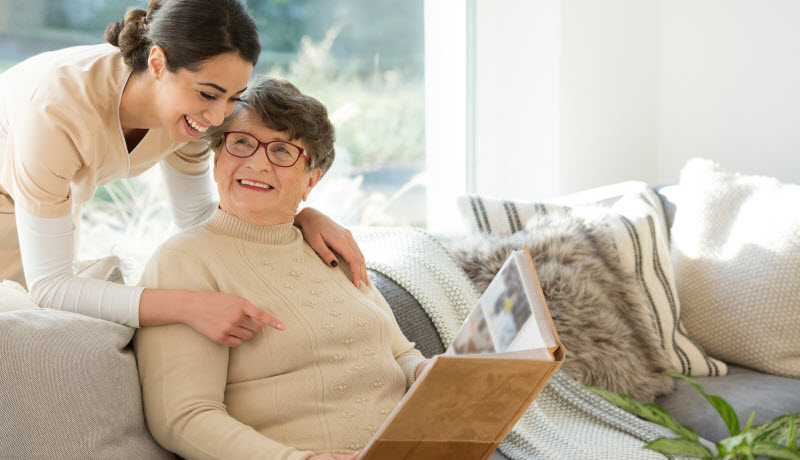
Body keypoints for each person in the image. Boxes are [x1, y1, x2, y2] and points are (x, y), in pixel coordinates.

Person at [0, 0, 366, 347]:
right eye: (208, 94)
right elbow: (51, 285)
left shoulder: (187, 118)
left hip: (37, 212)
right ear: (157, 63)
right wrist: (191, 306)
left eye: (234, 97)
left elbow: (194, 217)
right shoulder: (57, 111)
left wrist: (298, 219)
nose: (220, 116)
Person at [133, 77, 432, 460]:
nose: (257, 162)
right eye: (241, 142)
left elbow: (401, 353)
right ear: (217, 157)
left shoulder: (329, 247)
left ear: (311, 181)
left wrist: (424, 371)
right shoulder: (185, 262)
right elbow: (183, 417)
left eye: (282, 150)